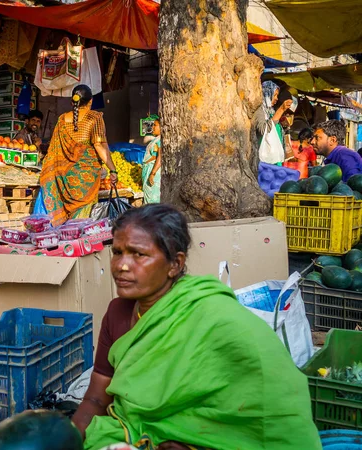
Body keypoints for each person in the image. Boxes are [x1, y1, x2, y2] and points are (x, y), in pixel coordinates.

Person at [73, 204, 322, 450]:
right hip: (130, 433)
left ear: (175, 264)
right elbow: (96, 398)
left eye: (139, 254)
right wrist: (68, 439)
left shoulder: (214, 315)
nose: (121, 266)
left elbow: (274, 392)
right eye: (117, 252)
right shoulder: (118, 314)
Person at [40, 85, 117, 226]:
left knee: (68, 223)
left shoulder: (62, 119)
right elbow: (100, 145)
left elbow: (54, 151)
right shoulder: (95, 118)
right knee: (84, 220)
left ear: (72, 102)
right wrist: (112, 169)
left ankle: (68, 239)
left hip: (65, 178)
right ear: (91, 101)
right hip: (86, 178)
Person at [252, 81, 292, 147]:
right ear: (267, 93)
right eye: (275, 95)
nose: (276, 98)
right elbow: (263, 130)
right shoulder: (260, 110)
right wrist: (281, 110)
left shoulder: (271, 111)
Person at [141, 118, 161, 204]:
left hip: (154, 171)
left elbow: (160, 157)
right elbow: (154, 156)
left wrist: (153, 173)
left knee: (153, 200)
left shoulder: (160, 140)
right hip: (149, 169)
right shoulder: (156, 139)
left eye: (155, 125)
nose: (152, 127)